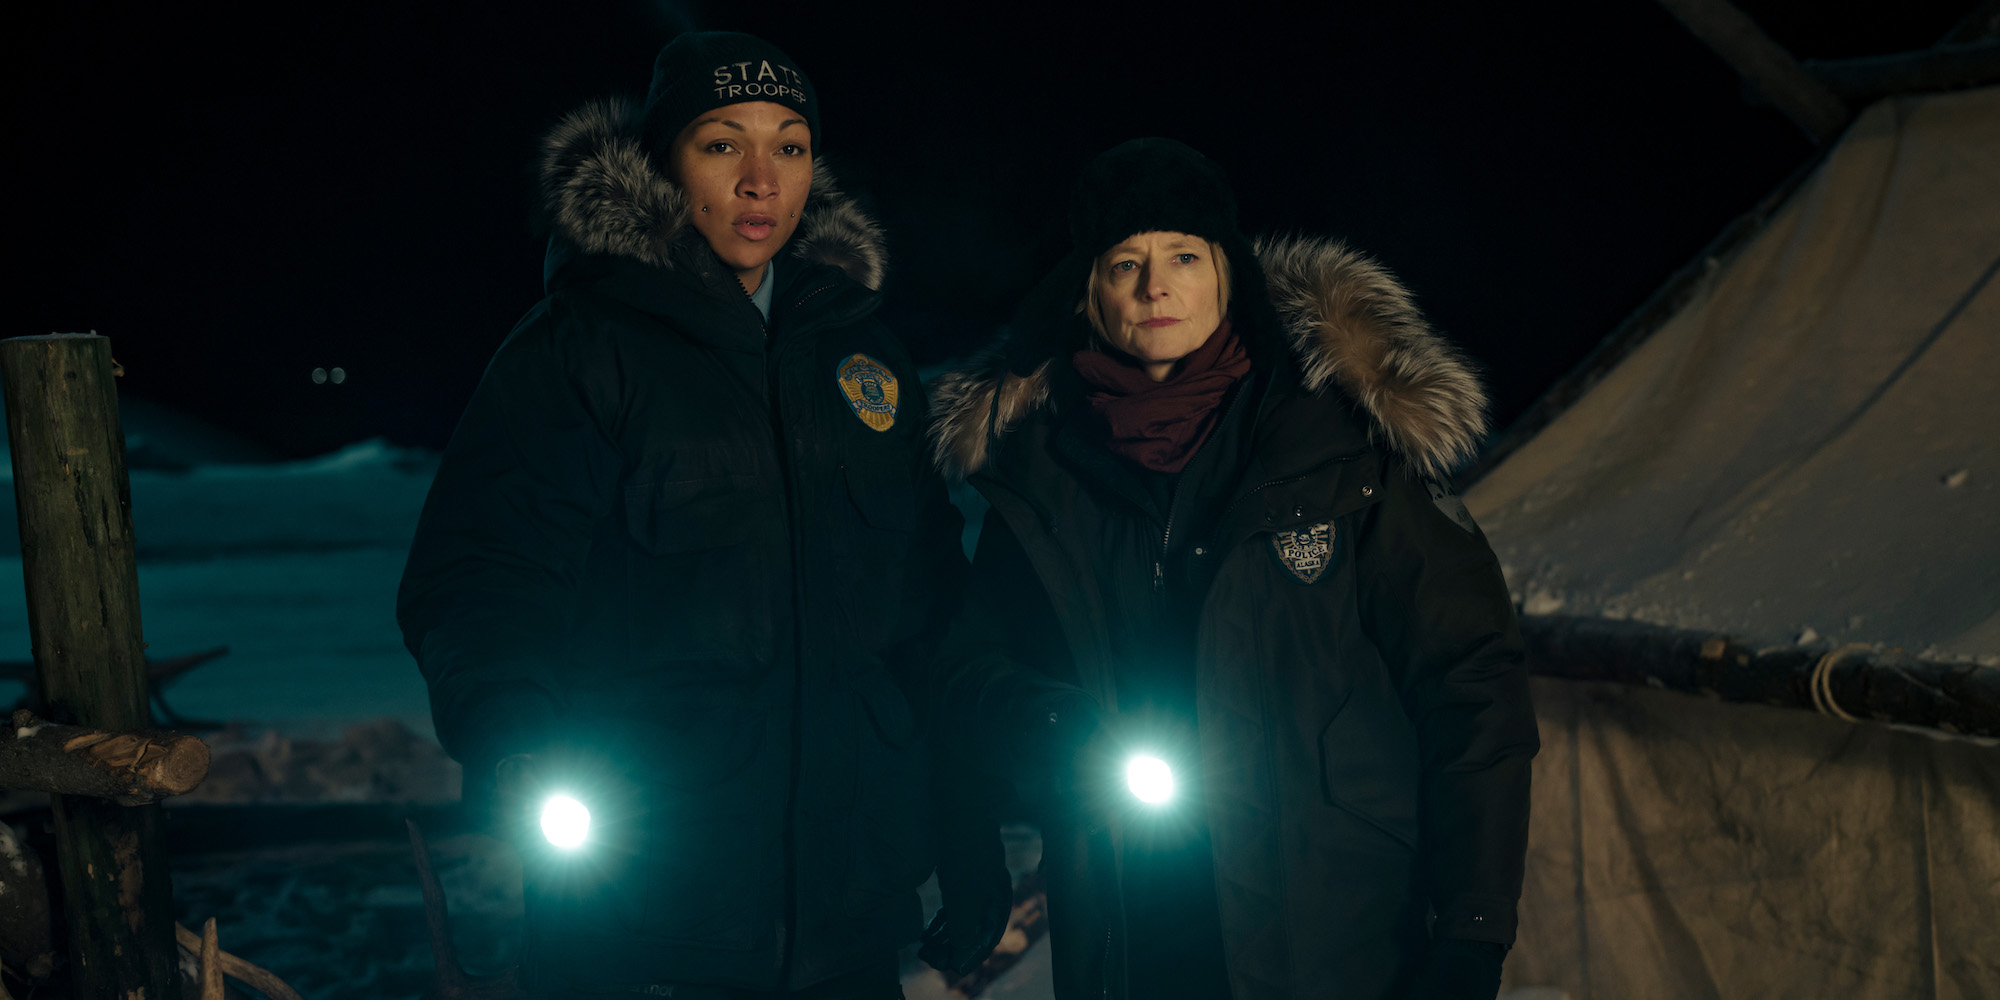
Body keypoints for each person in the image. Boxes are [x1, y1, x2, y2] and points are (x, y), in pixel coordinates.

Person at [397, 32, 1005, 999]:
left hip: (846, 919)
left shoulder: (862, 357)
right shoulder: (580, 347)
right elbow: (483, 574)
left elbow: (929, 613)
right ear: (663, 162)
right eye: (723, 144)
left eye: (790, 147)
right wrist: (515, 739)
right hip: (642, 908)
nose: (761, 180)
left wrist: (969, 834)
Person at [927, 138, 1539, 1000]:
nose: (1156, 287)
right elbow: (967, 670)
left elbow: (1471, 680)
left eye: (1183, 256)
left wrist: (1473, 925)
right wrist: (1053, 722)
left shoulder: (1342, 449)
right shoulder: (1043, 475)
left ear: (1227, 274)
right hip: (1134, 929)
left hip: (1341, 937)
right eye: (1125, 263)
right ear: (1088, 290)